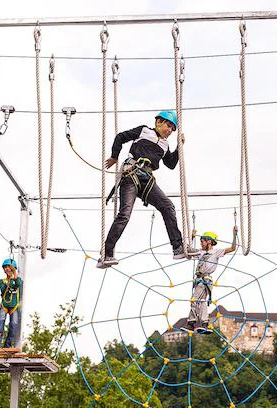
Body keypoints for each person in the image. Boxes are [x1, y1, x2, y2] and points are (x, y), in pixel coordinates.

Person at [97, 110, 191, 268]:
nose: (169, 130)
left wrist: (179, 147)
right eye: (168, 125)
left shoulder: (165, 145)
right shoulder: (144, 131)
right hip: (131, 174)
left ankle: (178, 248)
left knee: (168, 206)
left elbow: (171, 164)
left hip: (147, 179)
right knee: (124, 214)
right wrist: (114, 156)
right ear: (158, 122)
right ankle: (107, 253)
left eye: (172, 129)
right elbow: (121, 137)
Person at [181, 226, 237, 334]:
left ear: (209, 242)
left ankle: (191, 323)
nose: (201, 244)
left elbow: (232, 248)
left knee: (194, 300)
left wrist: (234, 234)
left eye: (202, 241)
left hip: (205, 279)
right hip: (198, 280)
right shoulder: (200, 252)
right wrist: (192, 237)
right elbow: (187, 251)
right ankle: (204, 324)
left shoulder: (216, 252)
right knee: (201, 302)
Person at [0, 258, 22, 348]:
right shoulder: (1, 281)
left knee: (13, 327)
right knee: (0, 326)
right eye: (5, 267)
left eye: (8, 267)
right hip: (5, 305)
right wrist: (10, 279)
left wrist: (14, 274)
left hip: (14, 306)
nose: (7, 269)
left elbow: (18, 283)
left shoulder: (18, 280)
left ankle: (7, 346)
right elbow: (4, 288)